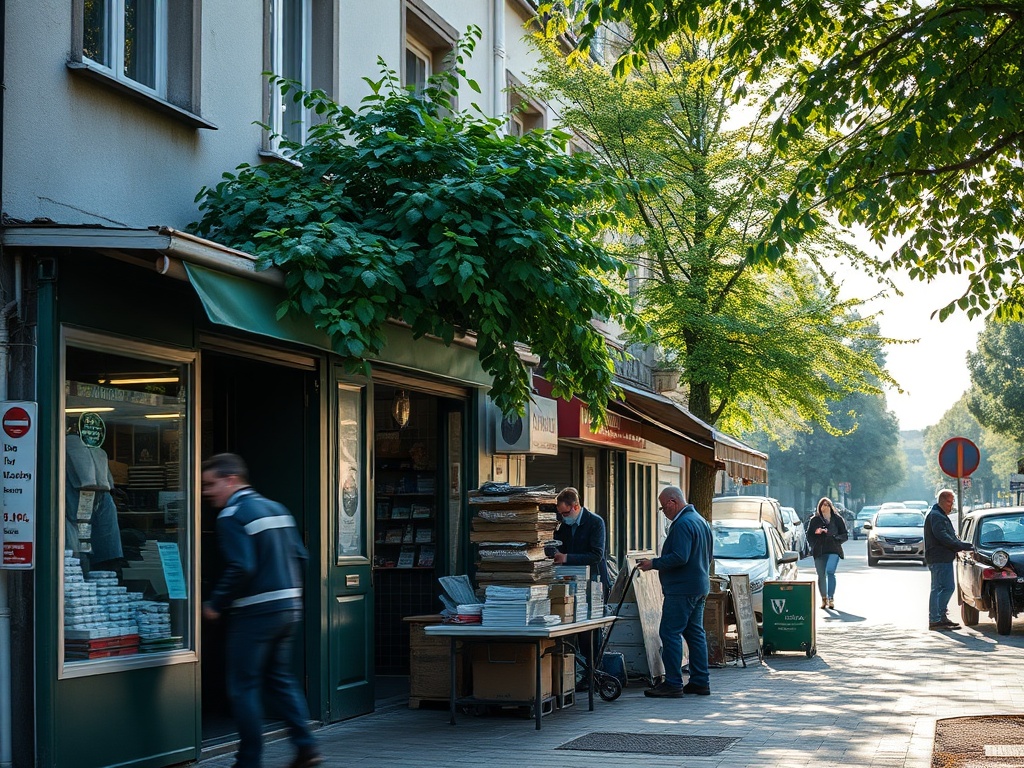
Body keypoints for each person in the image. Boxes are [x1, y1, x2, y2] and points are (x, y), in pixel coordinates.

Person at [201, 453, 322, 768]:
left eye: (210, 484)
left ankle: (249, 760)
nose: (206, 492)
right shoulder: (277, 508)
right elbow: (301, 557)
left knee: (243, 687)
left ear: (231, 480)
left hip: (254, 613)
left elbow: (241, 565)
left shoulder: (231, 515)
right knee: (280, 679)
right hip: (288, 608)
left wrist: (216, 603)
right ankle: (307, 747)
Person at [637, 486, 713, 698]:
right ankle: (700, 680)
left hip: (682, 588)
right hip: (699, 585)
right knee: (694, 633)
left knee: (669, 633)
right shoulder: (701, 521)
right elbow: (709, 556)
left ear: (672, 502)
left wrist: (654, 563)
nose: (664, 512)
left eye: (663, 508)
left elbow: (680, 556)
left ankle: (673, 682)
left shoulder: (682, 524)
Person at [924, 489, 973, 631]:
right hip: (939, 558)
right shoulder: (937, 516)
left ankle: (940, 617)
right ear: (943, 501)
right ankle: (935, 619)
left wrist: (959, 544)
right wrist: (960, 545)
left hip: (941, 557)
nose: (951, 506)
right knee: (942, 588)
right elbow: (943, 536)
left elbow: (948, 535)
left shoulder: (938, 515)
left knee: (943, 587)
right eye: (950, 502)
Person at [552, 487, 611, 599]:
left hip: (594, 579)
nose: (564, 517)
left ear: (576, 507)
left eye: (565, 513)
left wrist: (566, 558)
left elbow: (596, 555)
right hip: (571, 578)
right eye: (561, 514)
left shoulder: (595, 522)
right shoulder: (564, 525)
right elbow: (559, 545)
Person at [806, 497, 848, 610]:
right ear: (819, 507)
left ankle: (831, 598)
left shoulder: (837, 519)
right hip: (819, 550)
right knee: (821, 575)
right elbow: (809, 535)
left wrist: (834, 537)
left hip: (833, 549)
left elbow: (845, 535)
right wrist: (816, 535)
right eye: (823, 505)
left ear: (831, 506)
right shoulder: (815, 520)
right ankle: (824, 598)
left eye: (827, 505)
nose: (825, 507)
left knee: (830, 571)